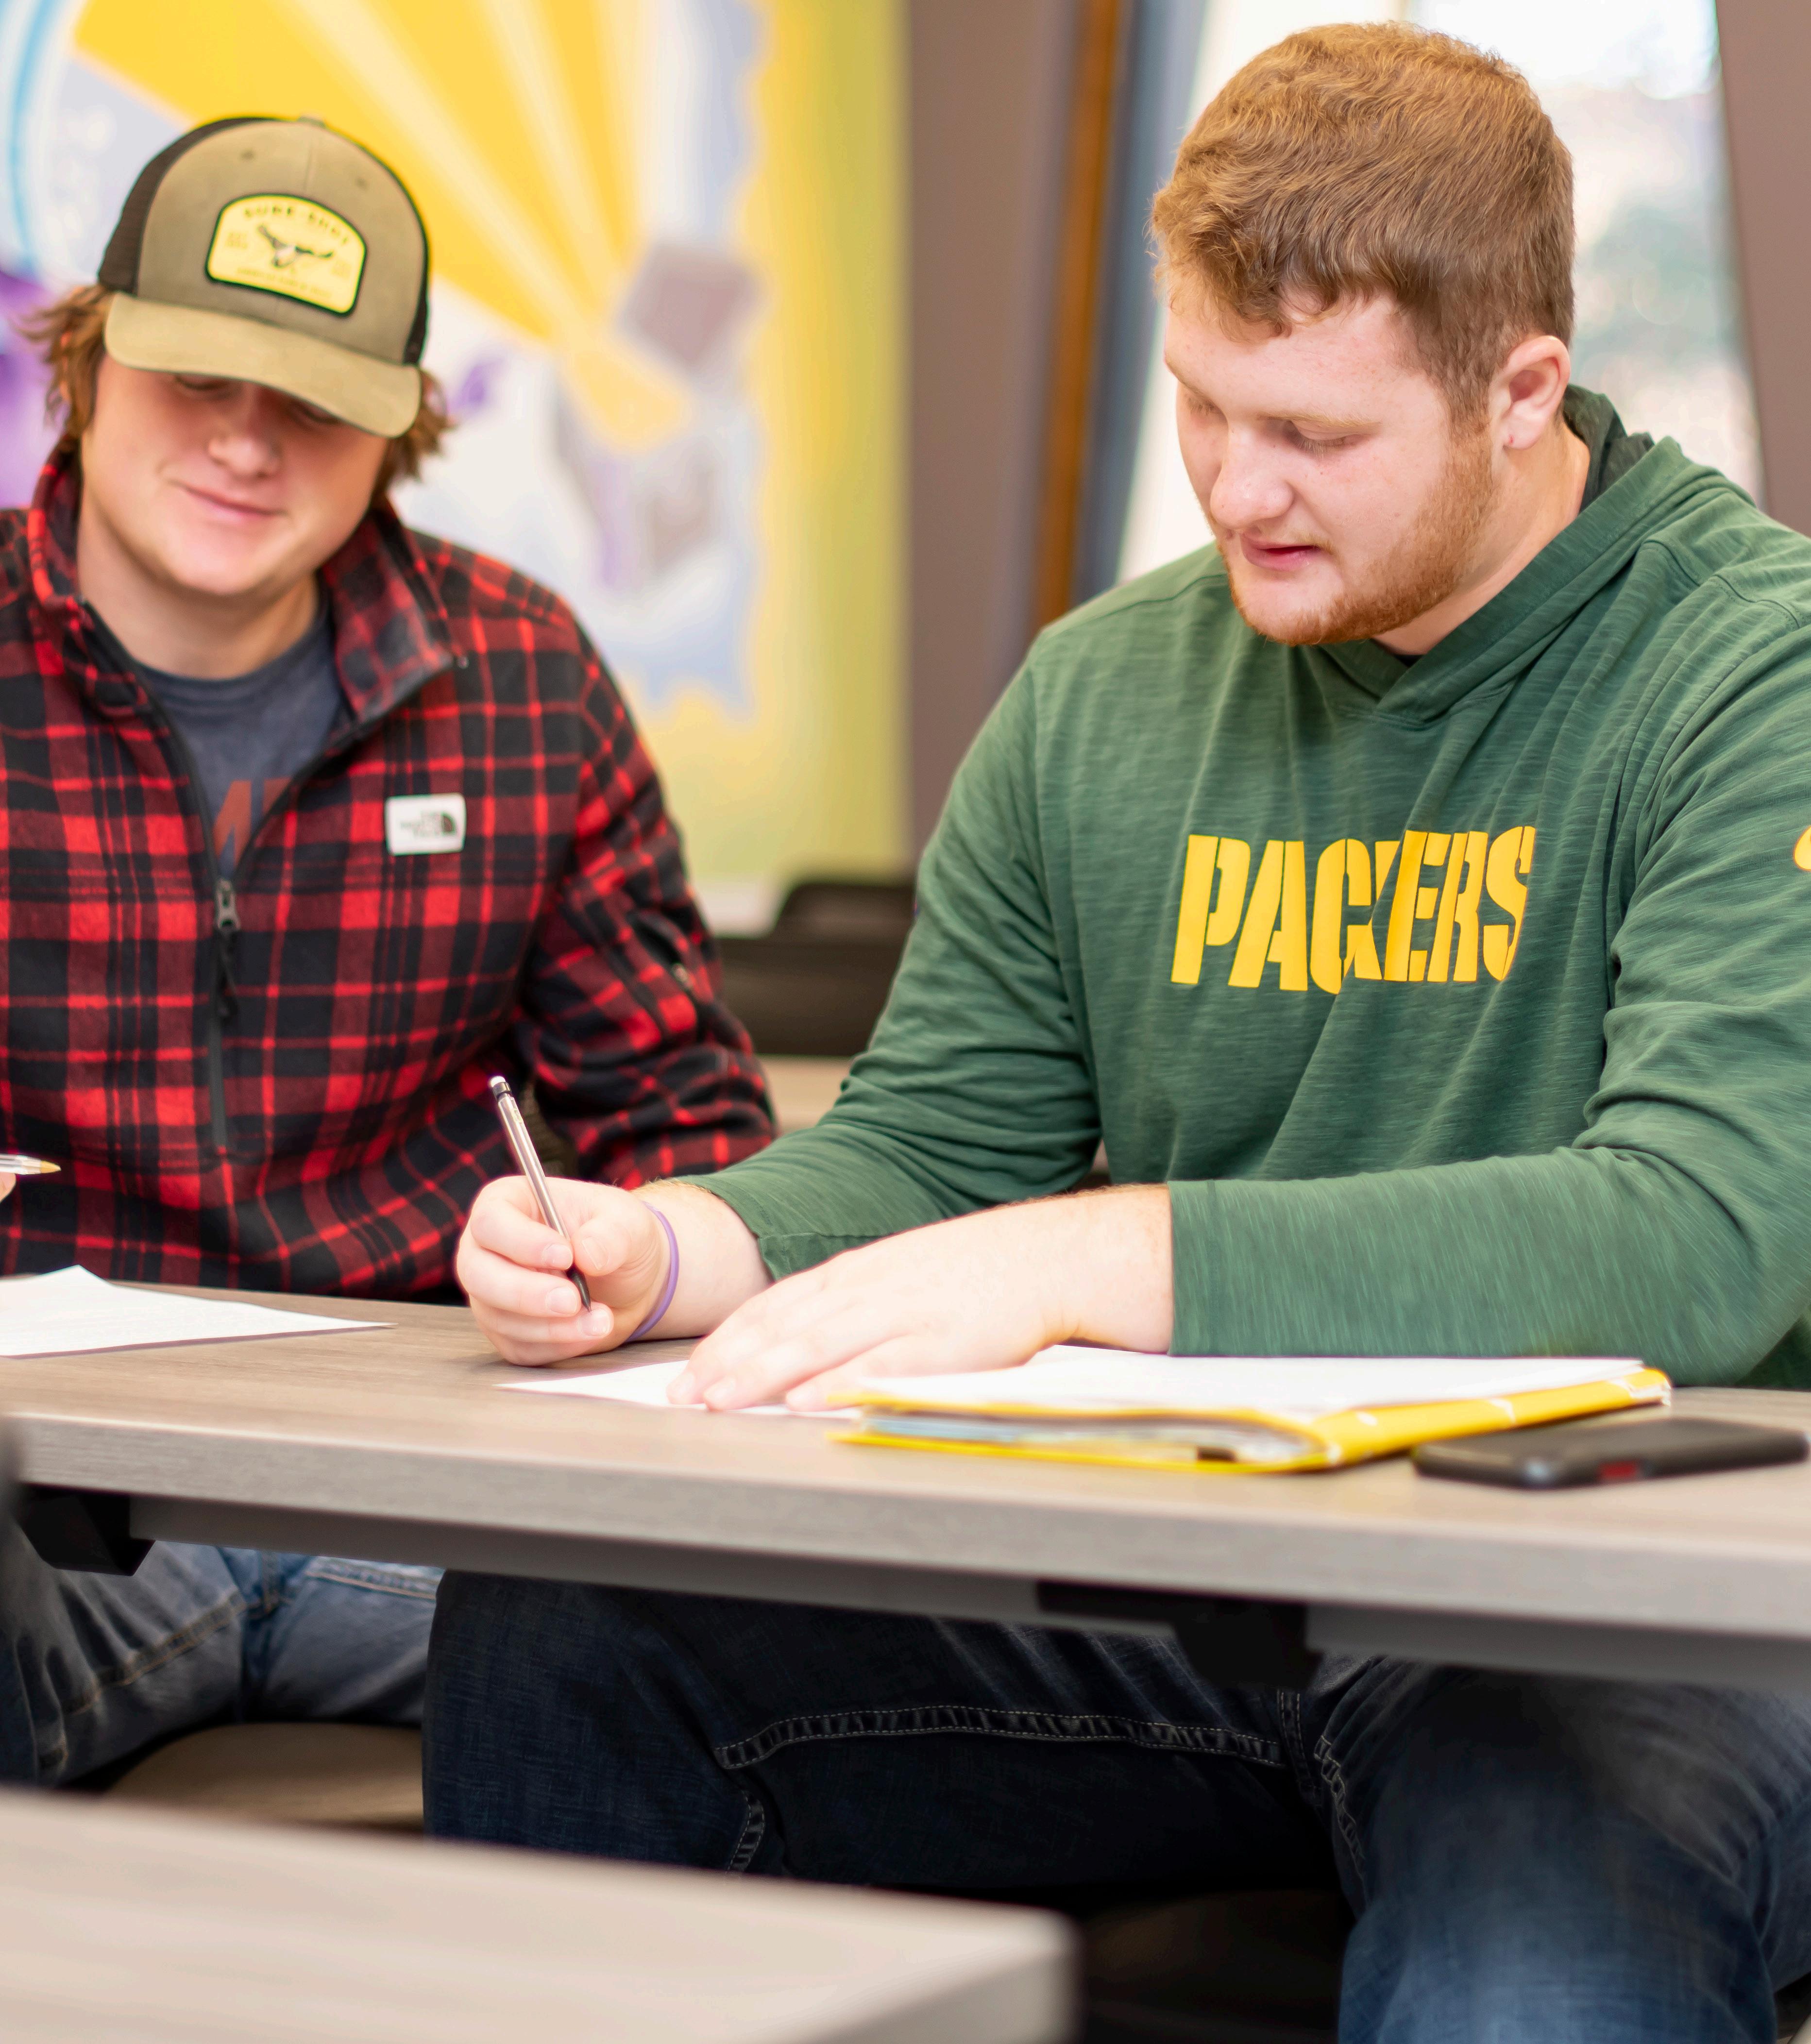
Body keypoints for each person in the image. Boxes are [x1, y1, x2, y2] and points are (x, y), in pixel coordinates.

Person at [435, 25, 1811, 2041]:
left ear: (1520, 391)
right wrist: (671, 1245)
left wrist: (1101, 1257)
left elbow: (1700, 1231)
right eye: (1200, 405)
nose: (1236, 490)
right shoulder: (1102, 694)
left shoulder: (1753, 672)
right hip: (1206, 1582)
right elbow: (931, 1152)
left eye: (1314, 434)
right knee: (568, 1625)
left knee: (1532, 1912)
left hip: (1632, 1610)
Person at [0, 116, 770, 1787]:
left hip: (434, 1495)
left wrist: (626, 1252)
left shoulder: (523, 677)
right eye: (197, 377)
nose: (245, 442)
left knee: (809, 1641)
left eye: (313, 402)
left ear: (399, 425)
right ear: (90, 357)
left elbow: (694, 1135)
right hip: (48, 1504)